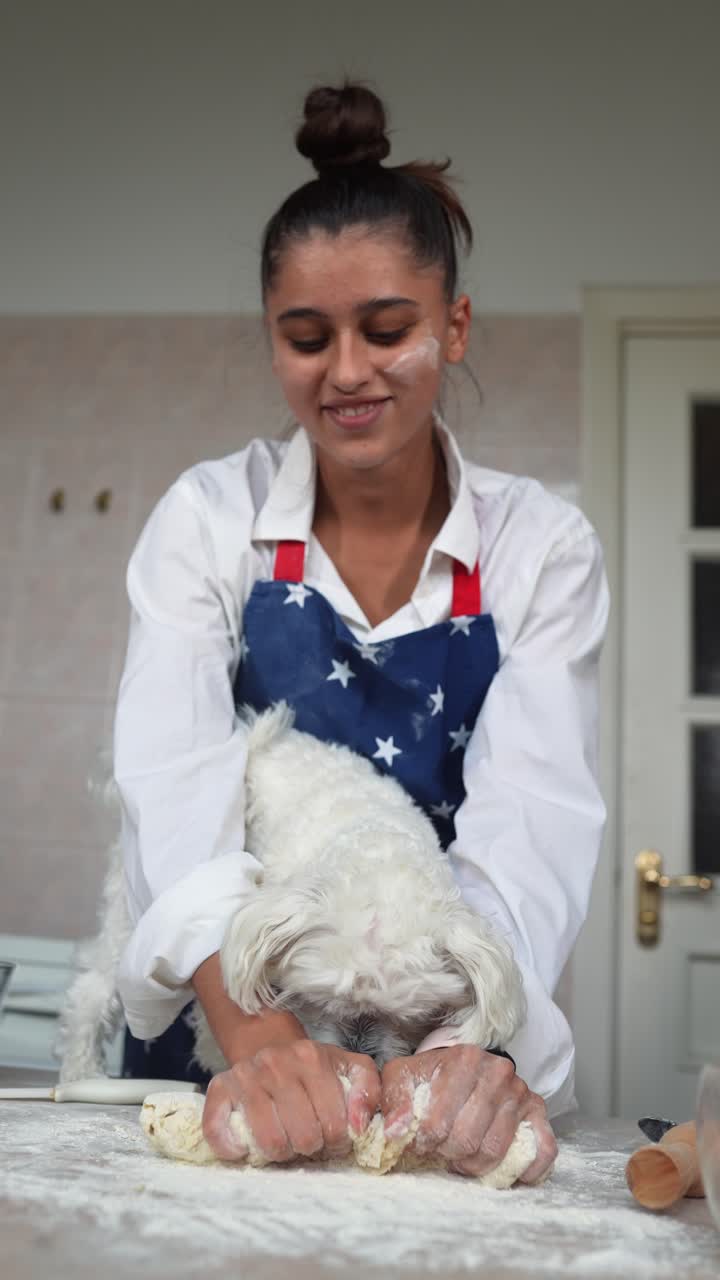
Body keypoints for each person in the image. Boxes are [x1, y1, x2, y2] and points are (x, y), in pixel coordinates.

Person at [113, 83, 608, 1183]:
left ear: (456, 325)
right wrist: (259, 1039)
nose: (346, 371)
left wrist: (467, 1043)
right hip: (229, 1033)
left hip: (440, 1046)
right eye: (306, 336)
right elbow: (176, 785)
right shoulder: (208, 520)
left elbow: (533, 823)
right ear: (272, 342)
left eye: (387, 329)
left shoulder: (539, 548)